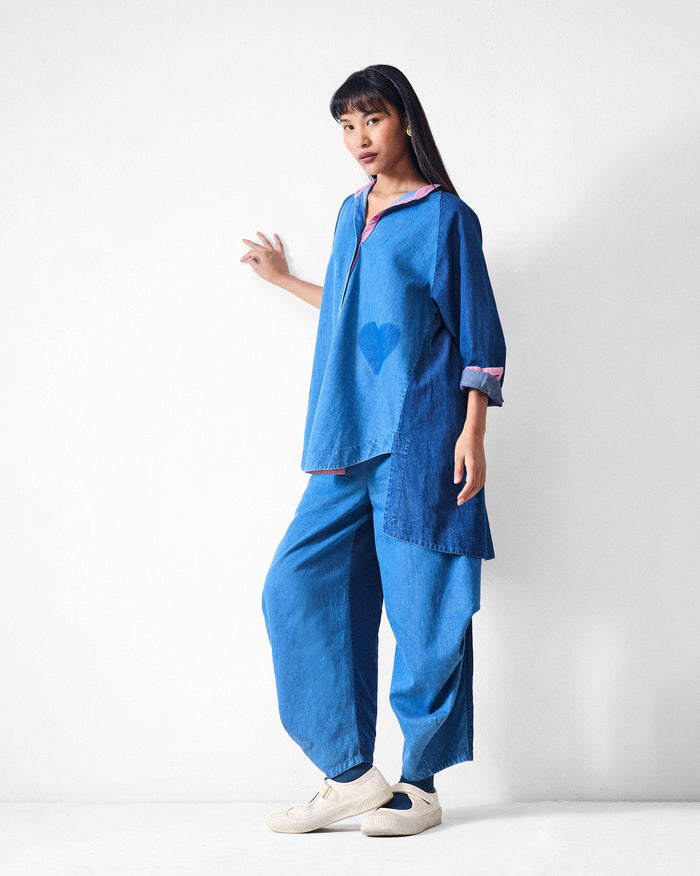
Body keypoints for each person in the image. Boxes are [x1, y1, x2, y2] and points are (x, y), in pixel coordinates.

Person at [240, 64, 506, 837]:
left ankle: (418, 784)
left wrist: (473, 429)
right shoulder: (349, 211)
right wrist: (285, 280)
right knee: (296, 586)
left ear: (406, 121)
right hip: (344, 441)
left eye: (373, 119)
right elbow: (353, 311)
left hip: (422, 439)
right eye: (347, 125)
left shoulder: (446, 217)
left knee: (426, 612)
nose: (359, 138)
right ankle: (351, 774)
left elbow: (479, 334)